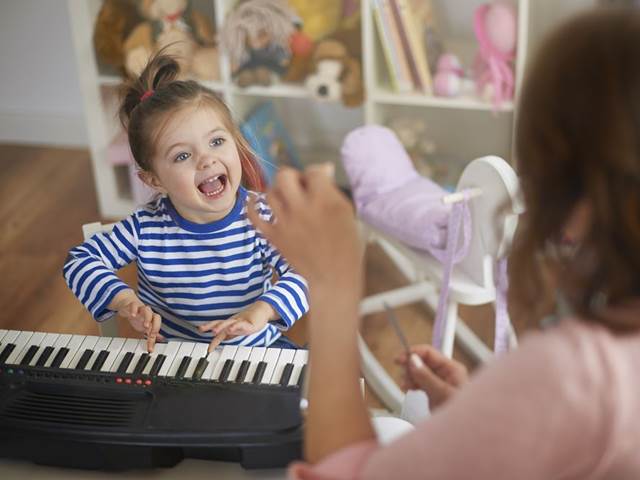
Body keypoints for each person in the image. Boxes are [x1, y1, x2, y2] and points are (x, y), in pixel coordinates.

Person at [247, 7, 640, 479]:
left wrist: (333, 284)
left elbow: (345, 471)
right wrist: (483, 412)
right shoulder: (580, 380)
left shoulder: (570, 378)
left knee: (389, 430)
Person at [63, 53, 308, 353]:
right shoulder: (145, 228)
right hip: (174, 361)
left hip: (258, 353)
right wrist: (124, 300)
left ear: (235, 141)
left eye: (217, 141)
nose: (206, 159)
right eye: (182, 155)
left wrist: (262, 311)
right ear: (154, 181)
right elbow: (79, 261)